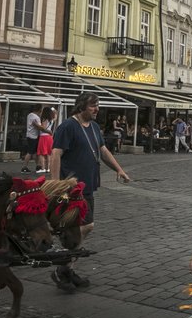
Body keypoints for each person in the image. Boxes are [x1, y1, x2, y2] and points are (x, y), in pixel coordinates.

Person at [50, 92, 131, 290]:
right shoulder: (68, 126)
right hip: (71, 188)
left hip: (88, 186)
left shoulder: (94, 127)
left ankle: (66, 269)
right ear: (81, 107)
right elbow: (55, 154)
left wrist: (118, 169)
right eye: (93, 106)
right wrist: (55, 184)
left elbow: (103, 151)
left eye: (97, 105)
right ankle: (63, 266)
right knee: (86, 227)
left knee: (82, 228)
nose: (97, 109)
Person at [20, 104, 42, 173]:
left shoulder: (29, 115)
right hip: (34, 136)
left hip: (29, 135)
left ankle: (38, 165)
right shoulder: (37, 117)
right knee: (30, 152)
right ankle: (24, 167)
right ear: (40, 109)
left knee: (34, 152)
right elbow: (39, 127)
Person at [35, 107, 56, 174]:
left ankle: (43, 168)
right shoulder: (52, 119)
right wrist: (54, 110)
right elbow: (56, 116)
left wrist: (37, 125)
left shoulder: (44, 119)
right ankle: (48, 168)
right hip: (50, 137)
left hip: (43, 136)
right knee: (49, 153)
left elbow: (43, 128)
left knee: (41, 153)